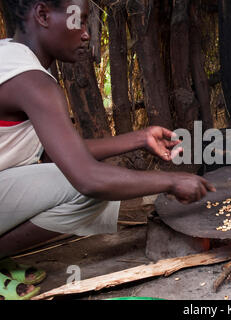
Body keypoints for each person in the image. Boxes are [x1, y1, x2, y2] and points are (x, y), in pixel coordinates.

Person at [0, 0, 215, 300]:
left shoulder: (10, 56)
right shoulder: (31, 81)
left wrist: (139, 138)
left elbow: (54, 155)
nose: (87, 34)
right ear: (44, 15)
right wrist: (172, 181)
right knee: (91, 191)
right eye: (79, 19)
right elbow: (86, 178)